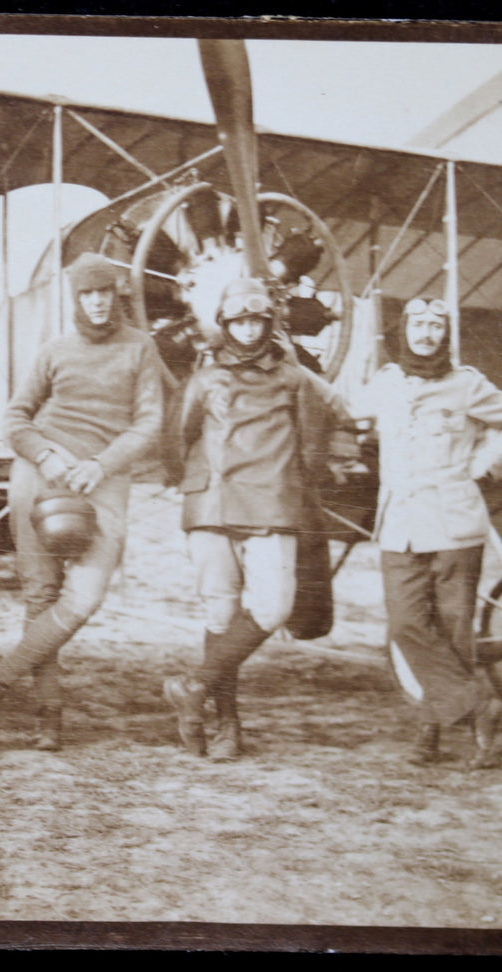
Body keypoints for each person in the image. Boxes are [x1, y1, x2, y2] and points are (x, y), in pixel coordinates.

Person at [0, 252, 168, 751]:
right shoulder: (54, 350)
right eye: (87, 293)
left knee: (83, 597)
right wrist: (47, 454)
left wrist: (101, 464)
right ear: (75, 297)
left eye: (104, 292)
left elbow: (149, 423)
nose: (97, 302)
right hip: (42, 476)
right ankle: (48, 718)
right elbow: (15, 419)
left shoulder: (140, 349)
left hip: (103, 479)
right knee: (40, 595)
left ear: (117, 294)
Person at [350, 297, 502, 767]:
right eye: (418, 324)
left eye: (437, 326)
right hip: (399, 528)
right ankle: (480, 706)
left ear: (446, 334)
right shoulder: (385, 384)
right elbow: (345, 411)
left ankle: (433, 735)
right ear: (404, 331)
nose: (427, 334)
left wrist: (485, 465)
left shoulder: (467, 386)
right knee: (406, 625)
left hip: (455, 528)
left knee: (454, 632)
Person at [161, 278, 341, 761]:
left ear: (269, 323)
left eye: (256, 320)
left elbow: (313, 447)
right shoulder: (203, 378)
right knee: (220, 615)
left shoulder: (295, 378)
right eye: (238, 320)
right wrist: (198, 485)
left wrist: (291, 490)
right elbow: (177, 439)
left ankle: (194, 686)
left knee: (273, 607)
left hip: (274, 505)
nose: (246, 329)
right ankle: (226, 725)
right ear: (224, 325)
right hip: (212, 506)